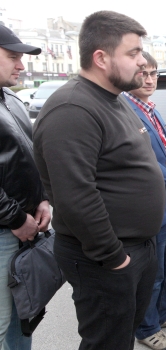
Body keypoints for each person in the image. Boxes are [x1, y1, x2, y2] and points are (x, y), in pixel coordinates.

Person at [32, 11, 166, 349]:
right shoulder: (73, 108)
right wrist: (114, 257)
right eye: (133, 53)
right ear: (101, 58)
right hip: (106, 259)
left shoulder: (114, 100)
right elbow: (76, 196)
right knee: (106, 342)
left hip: (135, 249)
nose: (142, 62)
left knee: (120, 337)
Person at [123, 51, 166, 350]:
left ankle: (162, 313)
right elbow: (139, 160)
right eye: (143, 74)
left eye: (154, 74)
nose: (150, 80)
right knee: (153, 271)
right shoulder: (125, 110)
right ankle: (146, 327)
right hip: (152, 205)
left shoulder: (151, 109)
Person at [0, 24, 50, 350]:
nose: (21, 65)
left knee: (24, 318)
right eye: (13, 56)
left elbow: (30, 158)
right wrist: (17, 219)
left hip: (24, 232)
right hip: (7, 232)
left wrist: (43, 199)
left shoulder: (12, 99)